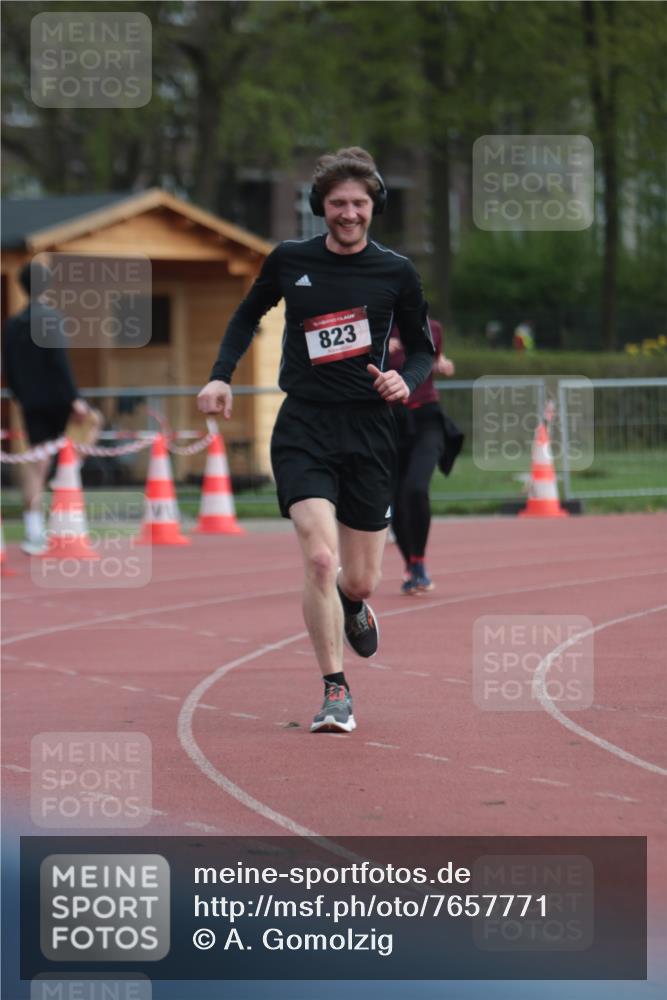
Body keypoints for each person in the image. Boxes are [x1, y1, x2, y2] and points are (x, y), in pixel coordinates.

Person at [197, 147, 435, 734]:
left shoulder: (397, 271)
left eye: (358, 203)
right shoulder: (289, 260)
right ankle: (335, 691)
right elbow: (246, 316)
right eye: (337, 204)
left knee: (359, 578)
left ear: (374, 207)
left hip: (370, 430)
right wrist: (220, 375)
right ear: (319, 207)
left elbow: (422, 349)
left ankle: (353, 604)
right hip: (304, 425)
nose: (348, 213)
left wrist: (404, 381)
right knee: (320, 557)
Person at [2, 261, 90, 554]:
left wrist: (21, 396)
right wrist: (74, 397)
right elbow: (58, 361)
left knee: (37, 462)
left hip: (30, 400)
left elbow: (8, 368)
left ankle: (33, 532)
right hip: (58, 398)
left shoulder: (12, 324)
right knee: (94, 422)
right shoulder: (51, 318)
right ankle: (67, 470)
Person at [388, 320, 463, 595]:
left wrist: (443, 364)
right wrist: (378, 349)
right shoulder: (376, 326)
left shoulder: (433, 328)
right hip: (391, 422)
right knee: (395, 500)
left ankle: (419, 561)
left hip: (427, 418)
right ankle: (411, 564)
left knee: (416, 488)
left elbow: (436, 358)